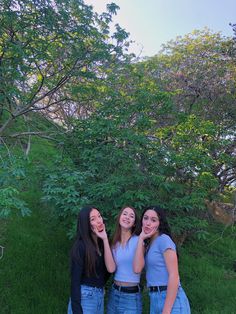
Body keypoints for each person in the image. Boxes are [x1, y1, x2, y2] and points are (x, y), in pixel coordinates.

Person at [133, 206, 191, 314]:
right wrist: (141, 238)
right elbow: (137, 268)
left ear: (160, 223)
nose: (148, 223)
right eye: (145, 218)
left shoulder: (164, 240)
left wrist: (167, 310)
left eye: (153, 220)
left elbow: (174, 275)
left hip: (171, 300)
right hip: (154, 299)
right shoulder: (149, 243)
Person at [68, 206, 116, 314]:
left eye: (99, 216)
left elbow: (110, 270)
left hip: (98, 297)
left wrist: (104, 239)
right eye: (93, 219)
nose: (99, 221)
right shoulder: (80, 246)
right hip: (85, 297)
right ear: (86, 224)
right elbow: (75, 281)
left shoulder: (102, 244)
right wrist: (77, 310)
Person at [107, 206, 142, 314]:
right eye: (125, 214)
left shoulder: (139, 240)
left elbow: (138, 268)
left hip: (131, 297)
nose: (127, 217)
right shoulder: (114, 242)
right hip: (114, 293)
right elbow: (111, 269)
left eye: (131, 216)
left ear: (134, 223)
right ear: (119, 217)